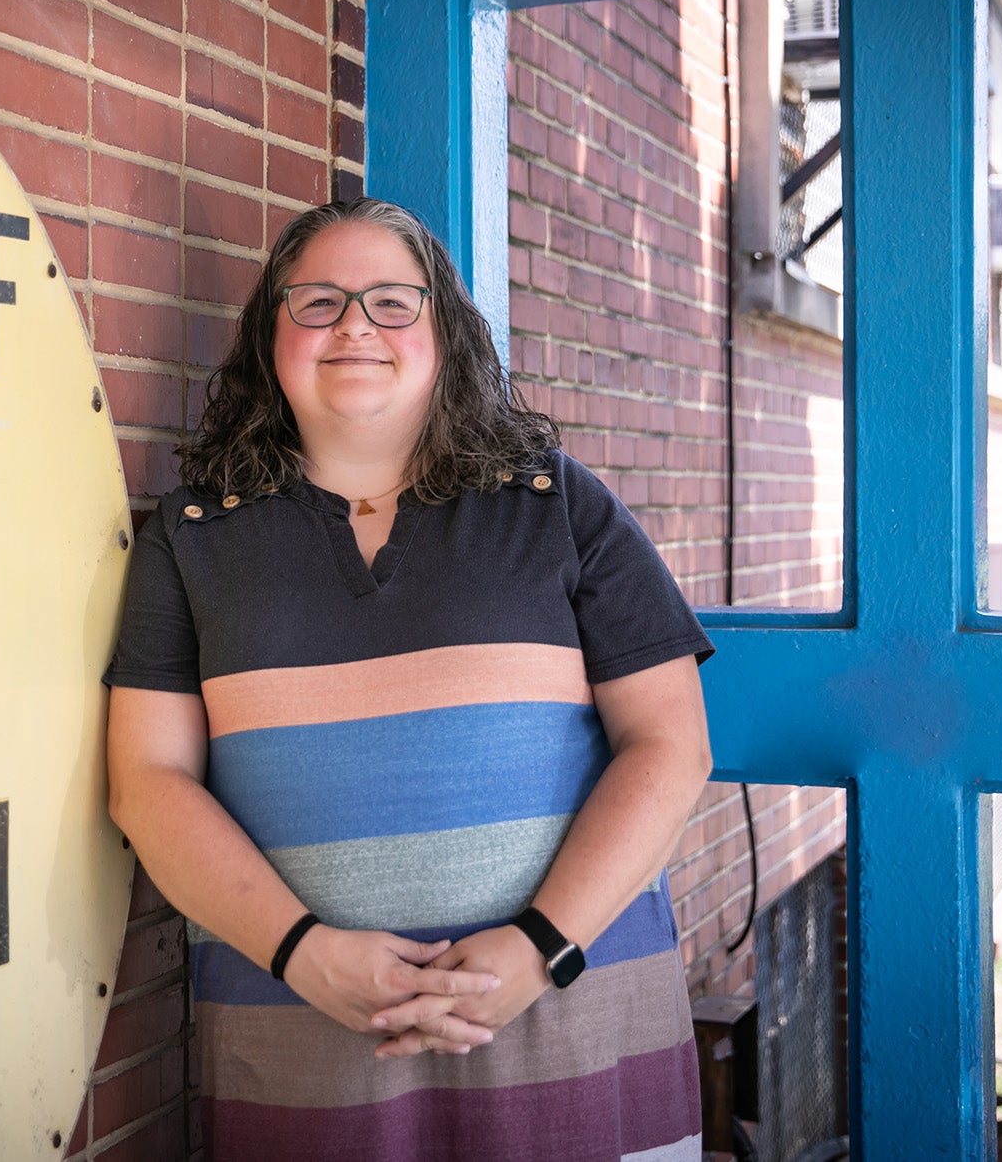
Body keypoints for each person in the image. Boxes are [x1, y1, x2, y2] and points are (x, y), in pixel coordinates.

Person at [104, 198, 715, 1160]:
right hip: (303, 1038)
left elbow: (672, 746)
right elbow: (147, 783)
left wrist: (541, 948)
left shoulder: (560, 507)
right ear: (273, 335)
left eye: (393, 301)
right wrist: (303, 951)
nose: (354, 323)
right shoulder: (190, 541)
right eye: (319, 301)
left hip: (569, 1024)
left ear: (447, 335)